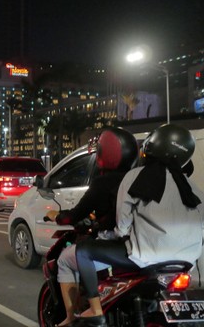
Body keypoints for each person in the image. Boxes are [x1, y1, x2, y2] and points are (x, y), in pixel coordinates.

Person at [74, 124, 204, 327]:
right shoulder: (194, 190)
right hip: (186, 261)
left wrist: (109, 234)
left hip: (147, 256)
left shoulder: (135, 178)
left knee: (84, 250)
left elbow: (122, 227)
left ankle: (95, 310)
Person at [44, 128, 138, 327]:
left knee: (64, 260)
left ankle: (71, 317)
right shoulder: (137, 179)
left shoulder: (102, 183)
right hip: (141, 244)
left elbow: (75, 214)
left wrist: (57, 216)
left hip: (113, 243)